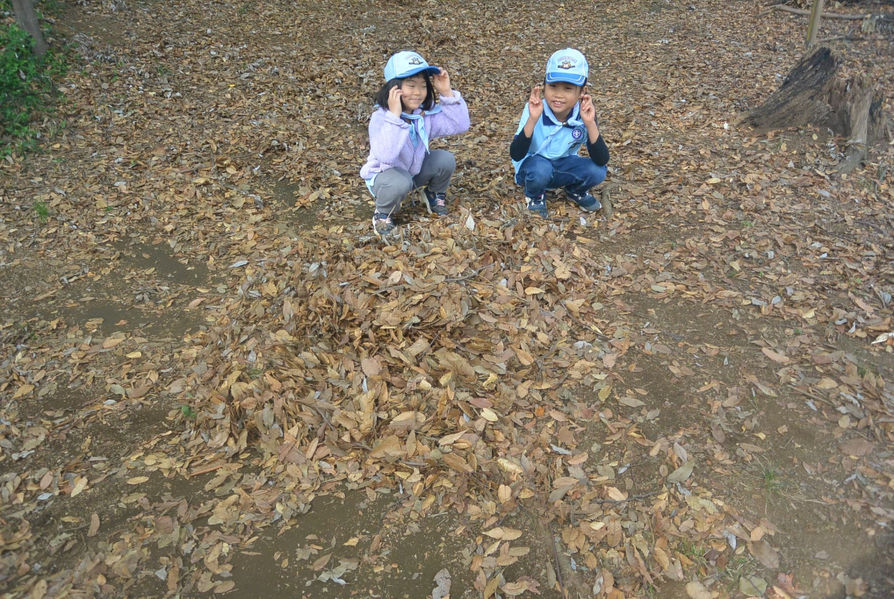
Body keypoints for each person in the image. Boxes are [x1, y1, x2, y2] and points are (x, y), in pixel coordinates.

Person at [360, 50, 470, 237]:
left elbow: (460, 125)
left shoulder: (422, 115)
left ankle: (432, 194)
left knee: (444, 159)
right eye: (411, 86)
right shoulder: (382, 117)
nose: (418, 93)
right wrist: (395, 117)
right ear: (394, 88)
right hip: (386, 178)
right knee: (399, 182)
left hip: (412, 173)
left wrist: (446, 92)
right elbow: (386, 155)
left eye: (423, 86)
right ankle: (383, 213)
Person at [510, 48, 609, 218]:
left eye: (568, 89)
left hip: (563, 165)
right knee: (541, 169)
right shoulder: (535, 109)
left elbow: (601, 159)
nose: (558, 95)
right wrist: (533, 119)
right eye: (553, 86)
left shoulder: (584, 113)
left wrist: (590, 123)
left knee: (598, 171)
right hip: (534, 167)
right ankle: (535, 195)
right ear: (544, 87)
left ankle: (575, 190)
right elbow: (516, 154)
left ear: (582, 92)